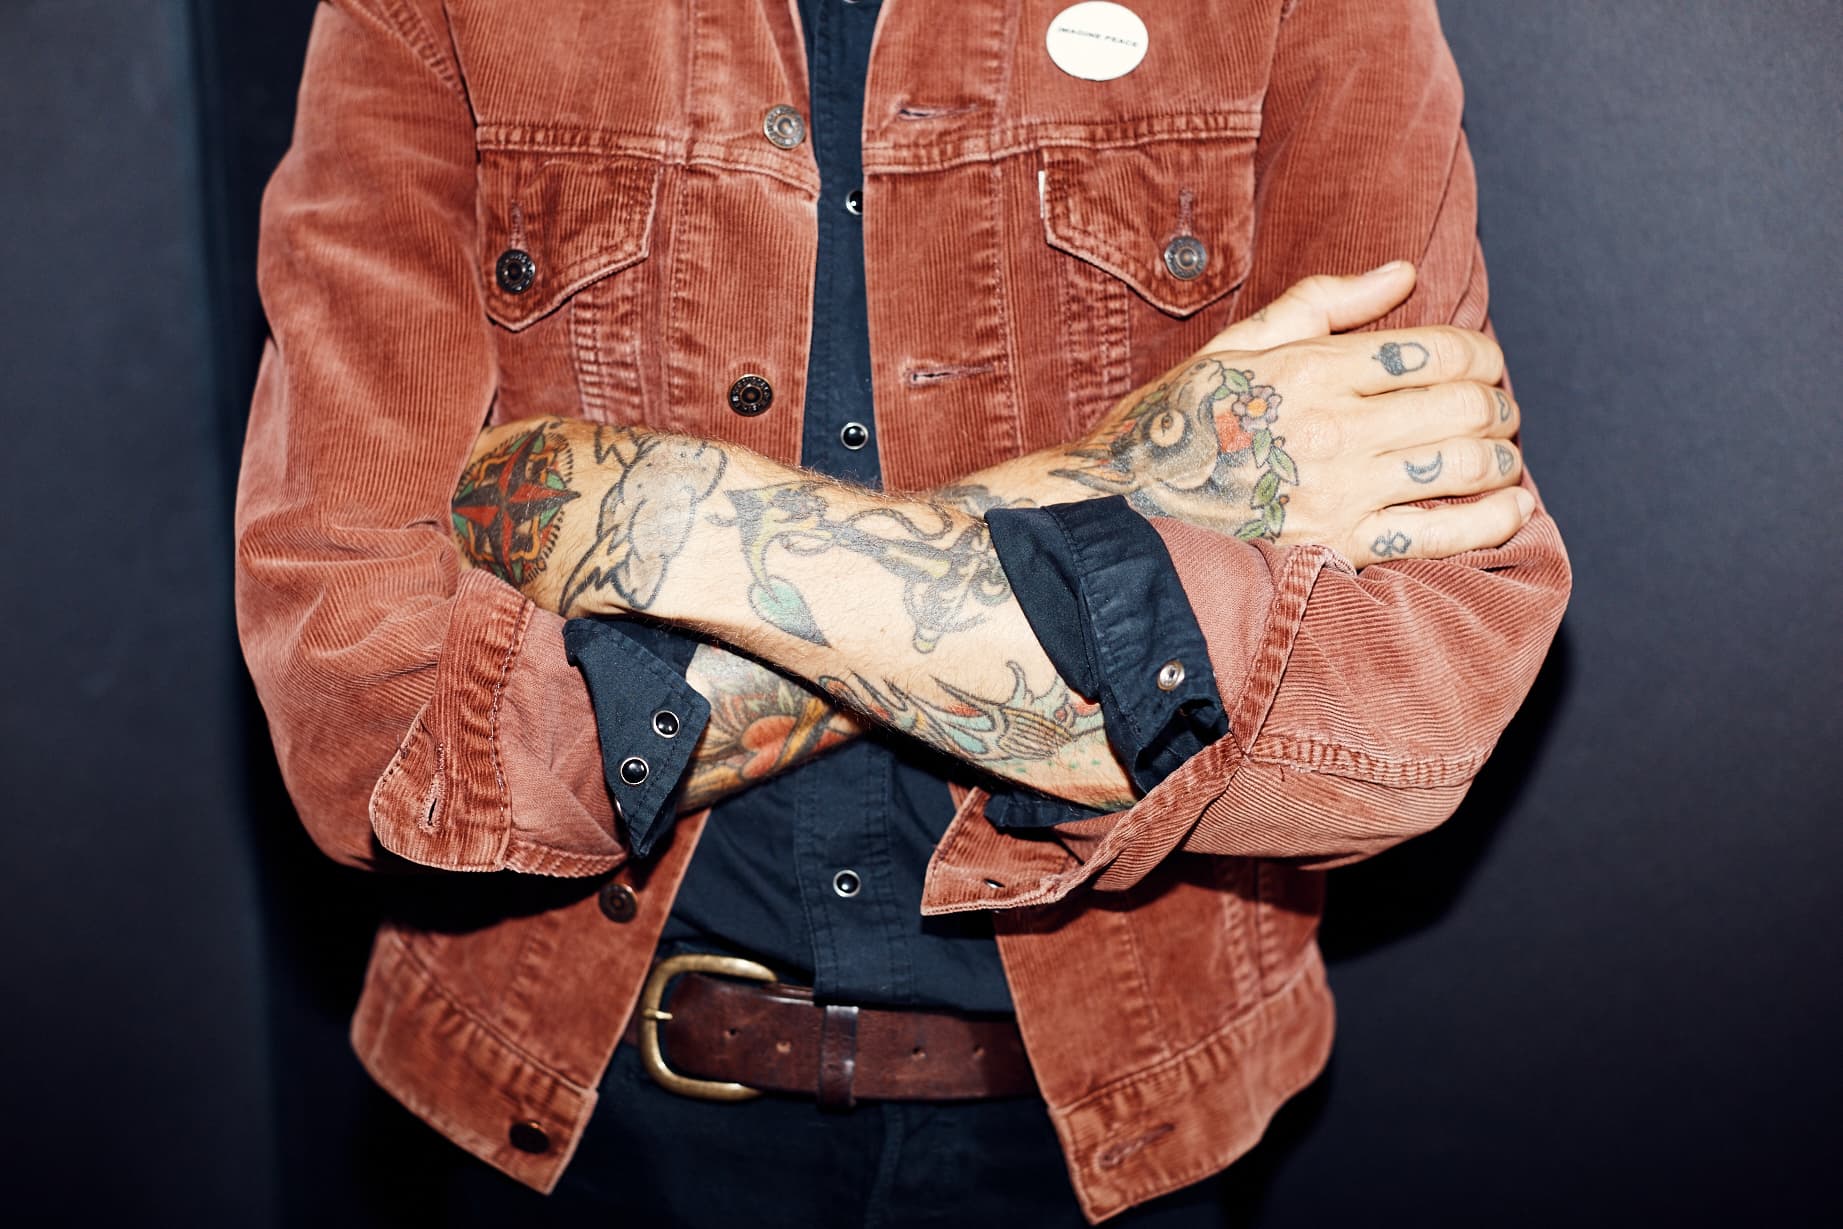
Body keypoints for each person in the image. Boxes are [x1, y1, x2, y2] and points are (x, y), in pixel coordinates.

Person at [235, 0, 1570, 1223]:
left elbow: (1423, 677)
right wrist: (1129, 487)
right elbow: (364, 716)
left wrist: (674, 517)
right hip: (580, 1120)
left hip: (1109, 1136)